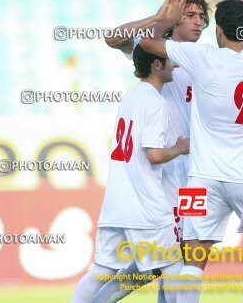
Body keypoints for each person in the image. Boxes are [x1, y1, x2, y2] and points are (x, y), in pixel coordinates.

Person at [140, 0, 243, 303]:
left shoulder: (201, 56)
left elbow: (146, 43)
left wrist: (166, 17)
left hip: (200, 179)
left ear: (218, 30)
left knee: (192, 259)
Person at [71, 42, 189, 303]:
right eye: (169, 61)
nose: (174, 65)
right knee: (174, 269)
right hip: (145, 203)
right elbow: (154, 154)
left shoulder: (131, 96)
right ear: (157, 65)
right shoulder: (157, 103)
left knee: (101, 270)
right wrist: (180, 148)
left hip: (115, 202)